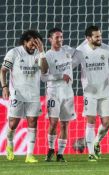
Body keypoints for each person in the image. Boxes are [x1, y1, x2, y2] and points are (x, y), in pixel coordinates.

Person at [76, 25, 109, 162]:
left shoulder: (107, 49)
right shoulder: (80, 51)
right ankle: (91, 153)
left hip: (105, 92)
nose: (100, 38)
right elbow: (70, 65)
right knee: (91, 121)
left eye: (100, 35)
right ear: (88, 38)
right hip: (89, 93)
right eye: (96, 36)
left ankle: (96, 141)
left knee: (107, 122)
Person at [0, 30, 48, 163]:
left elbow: (44, 70)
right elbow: (3, 70)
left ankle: (29, 155)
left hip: (33, 94)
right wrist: (4, 87)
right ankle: (10, 143)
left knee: (33, 122)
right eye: (32, 42)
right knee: (13, 123)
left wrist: (42, 51)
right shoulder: (14, 53)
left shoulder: (39, 53)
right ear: (25, 42)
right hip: (17, 93)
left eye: (37, 42)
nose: (34, 45)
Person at [42, 27, 84, 162]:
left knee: (65, 124)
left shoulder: (67, 49)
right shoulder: (47, 55)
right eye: (57, 37)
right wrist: (61, 75)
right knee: (53, 123)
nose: (60, 40)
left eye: (61, 37)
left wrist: (72, 65)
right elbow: (43, 77)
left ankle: (60, 154)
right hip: (53, 92)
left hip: (67, 92)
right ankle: (50, 149)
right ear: (50, 39)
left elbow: (79, 54)